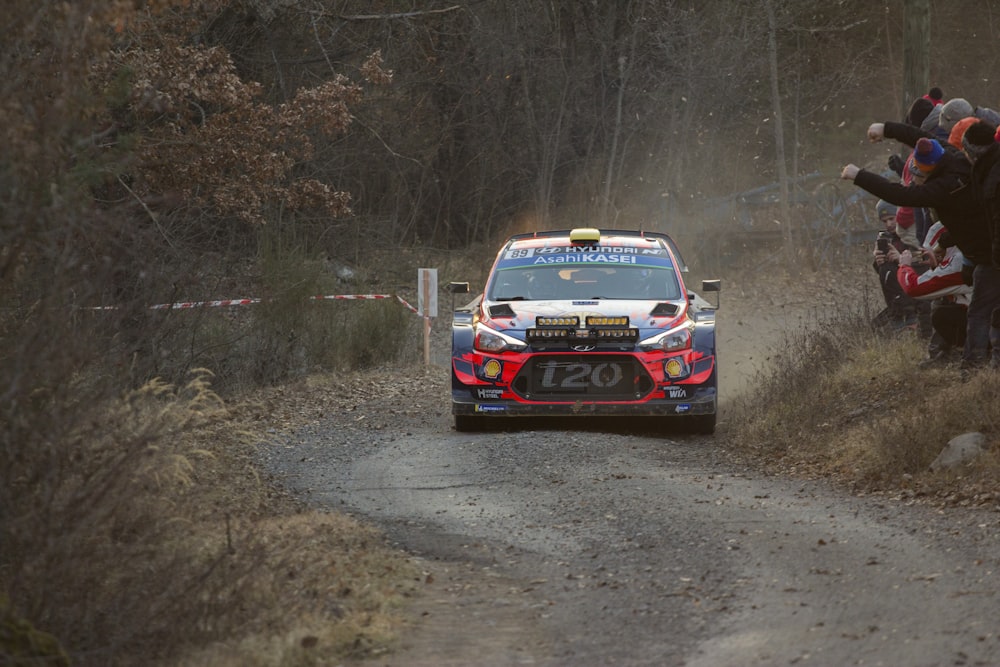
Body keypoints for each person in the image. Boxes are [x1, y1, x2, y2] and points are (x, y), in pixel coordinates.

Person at [841, 122, 993, 370]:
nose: (917, 182)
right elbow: (921, 136)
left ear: (928, 171)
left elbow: (899, 195)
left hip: (985, 252)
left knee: (979, 311)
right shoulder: (950, 154)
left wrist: (858, 175)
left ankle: (975, 366)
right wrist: (886, 129)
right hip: (976, 242)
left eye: (919, 177)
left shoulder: (941, 188)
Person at [897, 222, 972, 365]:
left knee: (941, 315)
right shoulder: (968, 252)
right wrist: (935, 266)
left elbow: (914, 288)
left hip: (986, 320)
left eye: (937, 252)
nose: (936, 256)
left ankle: (974, 354)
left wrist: (904, 266)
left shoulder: (958, 263)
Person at [962, 121, 1000, 367]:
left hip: (994, 255)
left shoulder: (991, 177)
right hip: (990, 252)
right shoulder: (988, 168)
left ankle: (974, 365)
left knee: (981, 310)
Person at [869, 200, 928, 334]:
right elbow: (888, 275)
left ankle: (909, 319)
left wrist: (900, 258)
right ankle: (899, 316)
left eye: (891, 218)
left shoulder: (914, 234)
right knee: (875, 327)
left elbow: (926, 261)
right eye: (884, 221)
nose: (889, 224)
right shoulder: (889, 239)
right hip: (898, 301)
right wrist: (878, 262)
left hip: (920, 295)